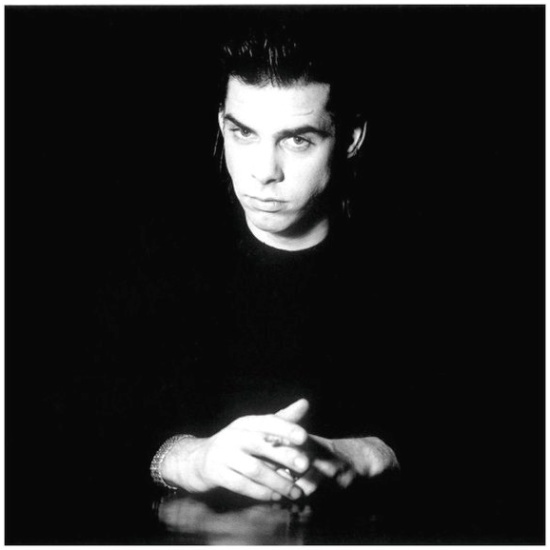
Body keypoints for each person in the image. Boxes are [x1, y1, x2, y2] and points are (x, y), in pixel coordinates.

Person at [149, 21, 400, 503]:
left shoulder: (410, 274)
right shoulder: (156, 260)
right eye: (243, 133)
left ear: (350, 138)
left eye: (298, 140)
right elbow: (62, 422)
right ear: (222, 124)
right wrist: (187, 459)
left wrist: (370, 454)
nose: (264, 172)